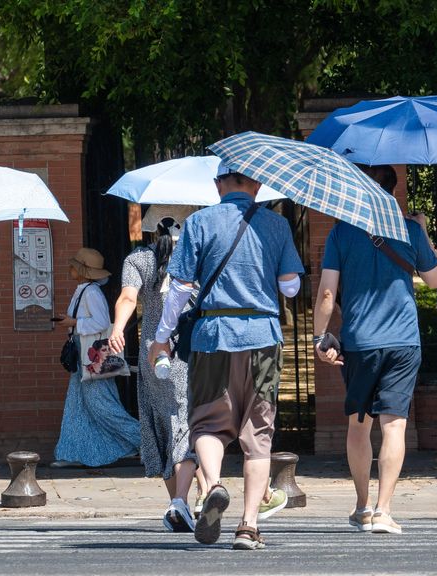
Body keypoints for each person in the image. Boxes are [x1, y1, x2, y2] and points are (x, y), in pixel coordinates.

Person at [149, 162, 304, 550]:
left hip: (212, 337)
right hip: (263, 338)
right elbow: (290, 288)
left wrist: (161, 338)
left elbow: (180, 289)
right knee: (259, 435)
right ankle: (249, 526)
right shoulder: (277, 225)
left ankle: (214, 485)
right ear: (258, 184)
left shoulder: (200, 223)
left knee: (206, 425)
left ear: (219, 184)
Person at [312, 164, 437, 535]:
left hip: (359, 343)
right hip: (403, 342)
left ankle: (362, 506)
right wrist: (424, 229)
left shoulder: (340, 232)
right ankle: (385, 511)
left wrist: (320, 337)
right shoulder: (409, 228)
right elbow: (434, 281)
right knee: (395, 425)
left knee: (358, 426)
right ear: (392, 191)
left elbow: (326, 293)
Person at [107, 207, 207, 533]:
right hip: (192, 352)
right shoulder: (197, 258)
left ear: (151, 229)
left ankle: (183, 504)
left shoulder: (140, 260)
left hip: (154, 356)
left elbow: (126, 297)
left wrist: (118, 328)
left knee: (163, 424)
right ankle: (184, 501)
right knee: (186, 425)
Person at [51, 247, 141, 469]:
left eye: (74, 266)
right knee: (78, 405)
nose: (70, 268)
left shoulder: (90, 292)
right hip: (84, 357)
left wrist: (73, 323)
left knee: (101, 406)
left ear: (82, 270)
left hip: (90, 357)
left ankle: (145, 440)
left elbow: (101, 323)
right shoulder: (84, 289)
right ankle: (73, 453)